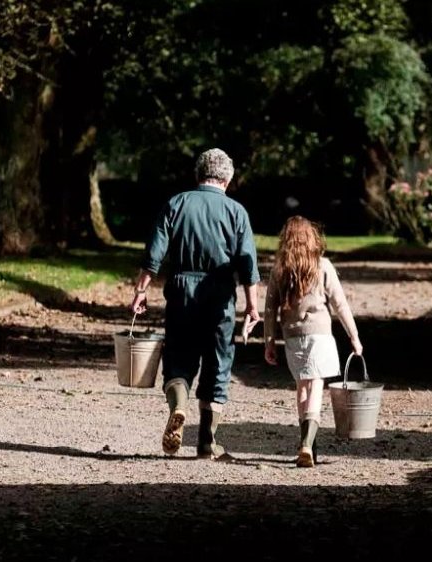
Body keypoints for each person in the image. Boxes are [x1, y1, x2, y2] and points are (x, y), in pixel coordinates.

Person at [129, 148, 260, 460]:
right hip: (220, 295)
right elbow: (248, 265)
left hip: (181, 290)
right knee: (218, 364)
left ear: (198, 174)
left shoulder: (177, 203)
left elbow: (154, 255)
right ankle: (206, 442)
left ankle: (179, 406)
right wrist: (252, 307)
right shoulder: (236, 212)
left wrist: (141, 291)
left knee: (178, 356)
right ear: (227, 179)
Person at [263, 216, 363, 468]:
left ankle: (307, 444)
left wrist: (269, 341)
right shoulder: (323, 265)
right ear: (312, 239)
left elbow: (269, 309)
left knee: (302, 388)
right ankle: (308, 444)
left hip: (293, 337)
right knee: (317, 386)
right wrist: (354, 336)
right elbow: (340, 304)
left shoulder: (279, 269)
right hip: (320, 335)